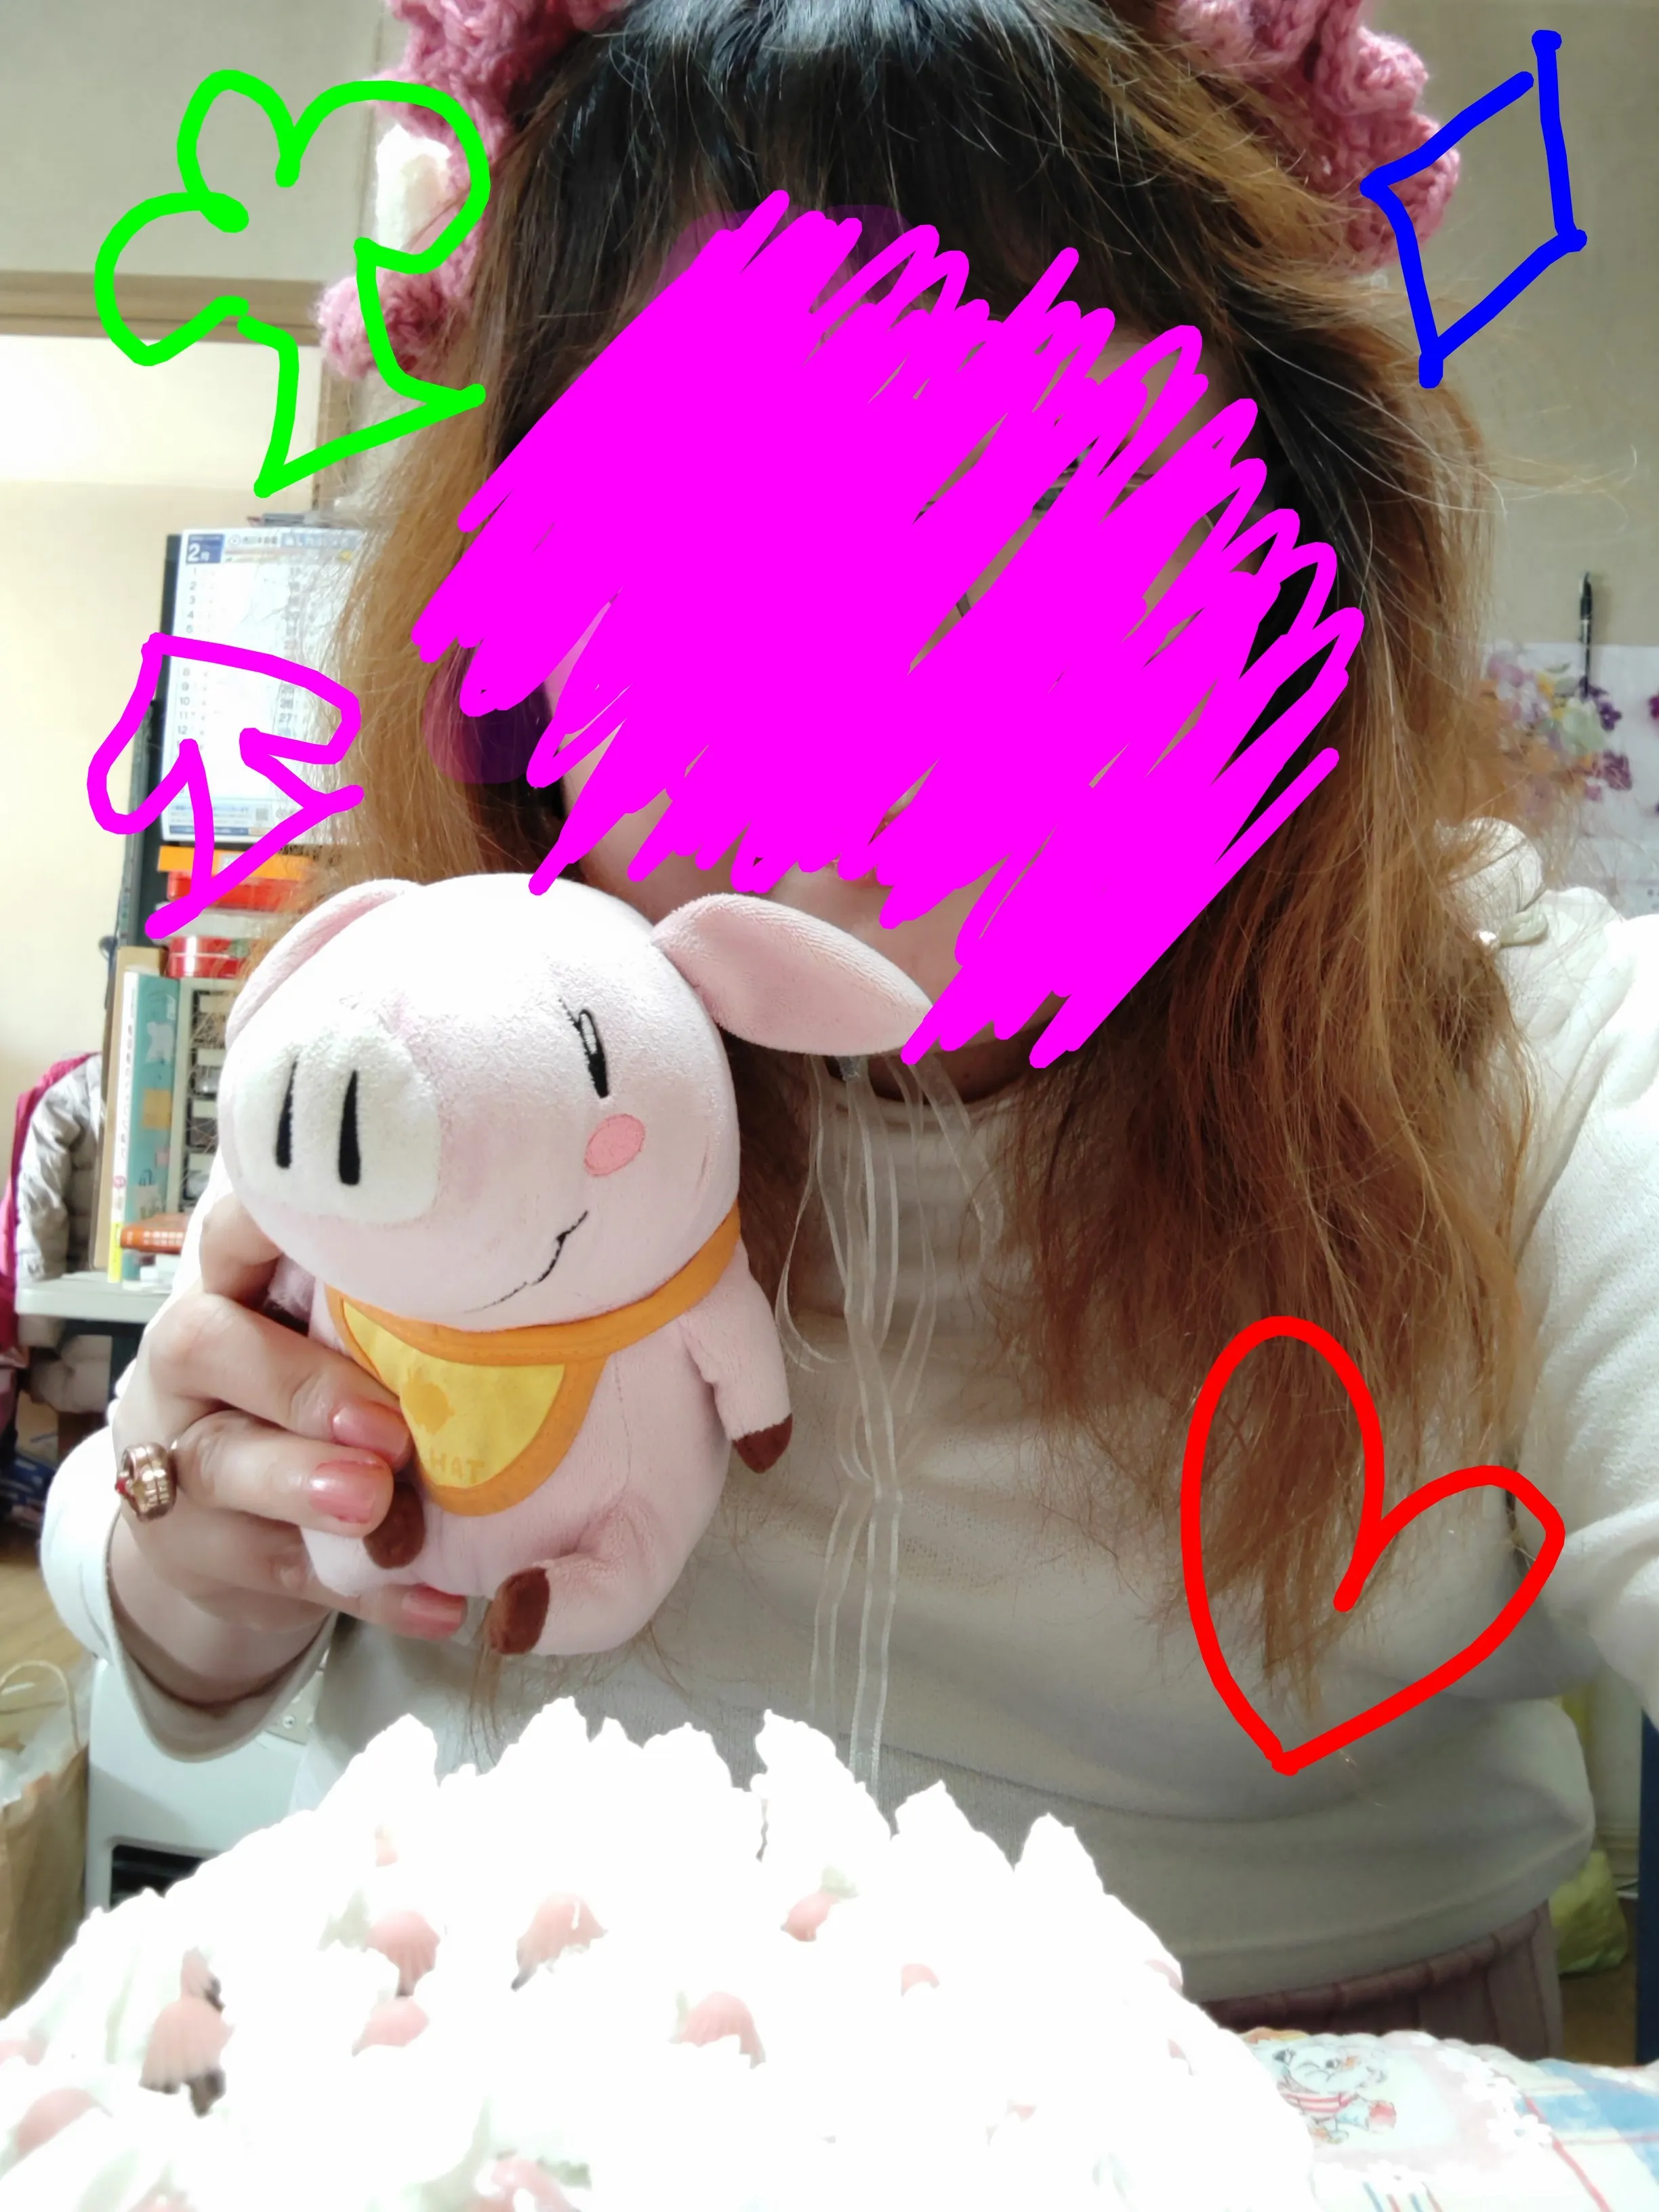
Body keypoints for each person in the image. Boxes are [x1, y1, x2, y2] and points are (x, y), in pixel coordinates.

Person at [44, 0, 1651, 2061]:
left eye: (1027, 501)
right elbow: (178, 1584)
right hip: (522, 2100)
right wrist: (192, 1571)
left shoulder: (1525, 1073)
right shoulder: (446, 1037)